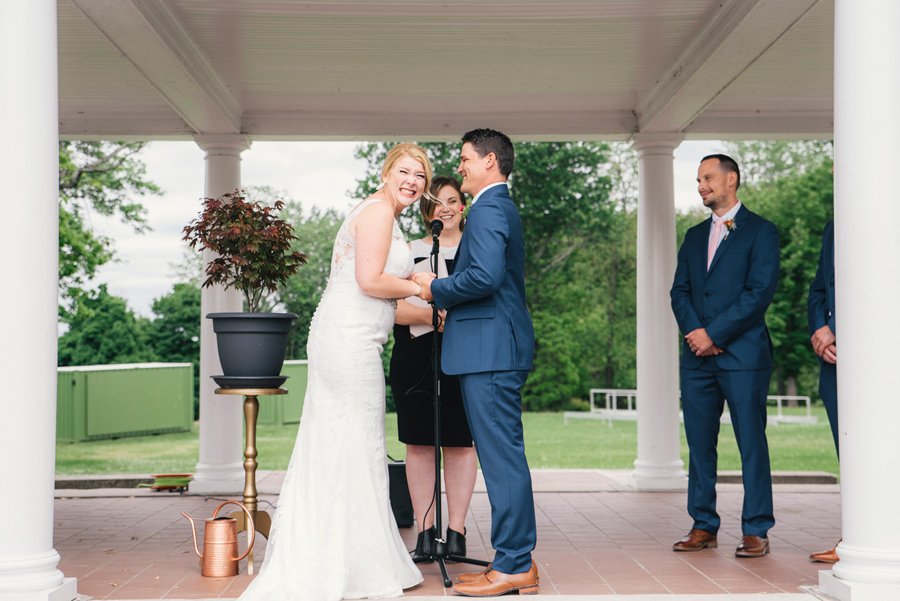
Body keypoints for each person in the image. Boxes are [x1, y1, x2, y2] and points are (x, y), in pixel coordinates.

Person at [238, 143, 431, 601]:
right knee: (352, 441)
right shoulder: (379, 212)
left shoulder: (384, 214)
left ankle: (352, 556)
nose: (412, 181)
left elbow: (381, 298)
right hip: (347, 340)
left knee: (351, 442)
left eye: (420, 176)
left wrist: (426, 311)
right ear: (386, 172)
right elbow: (371, 282)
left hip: (351, 333)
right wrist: (424, 284)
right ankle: (341, 564)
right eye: (405, 171)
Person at [416, 128, 538, 597]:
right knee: (501, 456)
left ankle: (513, 565)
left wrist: (434, 288)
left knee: (502, 459)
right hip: (491, 348)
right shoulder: (497, 207)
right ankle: (514, 561)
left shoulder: (488, 207)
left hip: (490, 350)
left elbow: (484, 277)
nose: (460, 166)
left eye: (465, 159)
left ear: (490, 161)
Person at [669, 154, 780, 558]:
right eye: (698, 179)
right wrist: (696, 334)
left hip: (744, 355)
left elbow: (758, 293)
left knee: (751, 442)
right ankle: (703, 525)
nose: (701, 185)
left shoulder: (762, 232)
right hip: (697, 359)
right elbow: (678, 291)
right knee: (700, 445)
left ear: (731, 179)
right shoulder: (694, 236)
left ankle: (756, 528)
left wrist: (714, 334)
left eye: (708, 178)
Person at [390, 176, 477, 562]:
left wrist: (435, 315)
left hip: (465, 356)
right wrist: (436, 316)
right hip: (415, 356)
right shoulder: (408, 252)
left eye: (452, 200)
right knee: (420, 444)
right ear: (427, 210)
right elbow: (396, 309)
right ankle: (426, 534)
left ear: (463, 206)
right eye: (437, 202)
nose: (445, 207)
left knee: (460, 442)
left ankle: (455, 533)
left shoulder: (478, 251)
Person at [807, 218, 840, 563]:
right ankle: (858, 534)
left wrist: (838, 328)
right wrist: (821, 328)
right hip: (833, 360)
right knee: (848, 447)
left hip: (878, 354)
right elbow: (820, 286)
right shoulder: (832, 224)